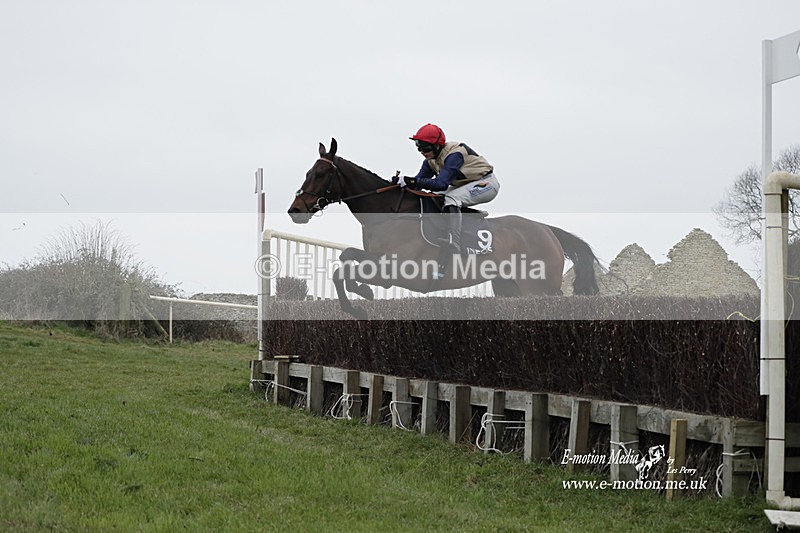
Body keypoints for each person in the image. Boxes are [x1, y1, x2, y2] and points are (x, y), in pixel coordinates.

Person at [398, 123, 500, 253]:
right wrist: (400, 183)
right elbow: (418, 184)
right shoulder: (430, 160)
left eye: (426, 148)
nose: (423, 152)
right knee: (434, 196)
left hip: (487, 184)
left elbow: (441, 184)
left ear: (437, 145)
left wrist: (412, 181)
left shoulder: (454, 155)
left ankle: (455, 242)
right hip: (466, 185)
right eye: (419, 148)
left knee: (452, 198)